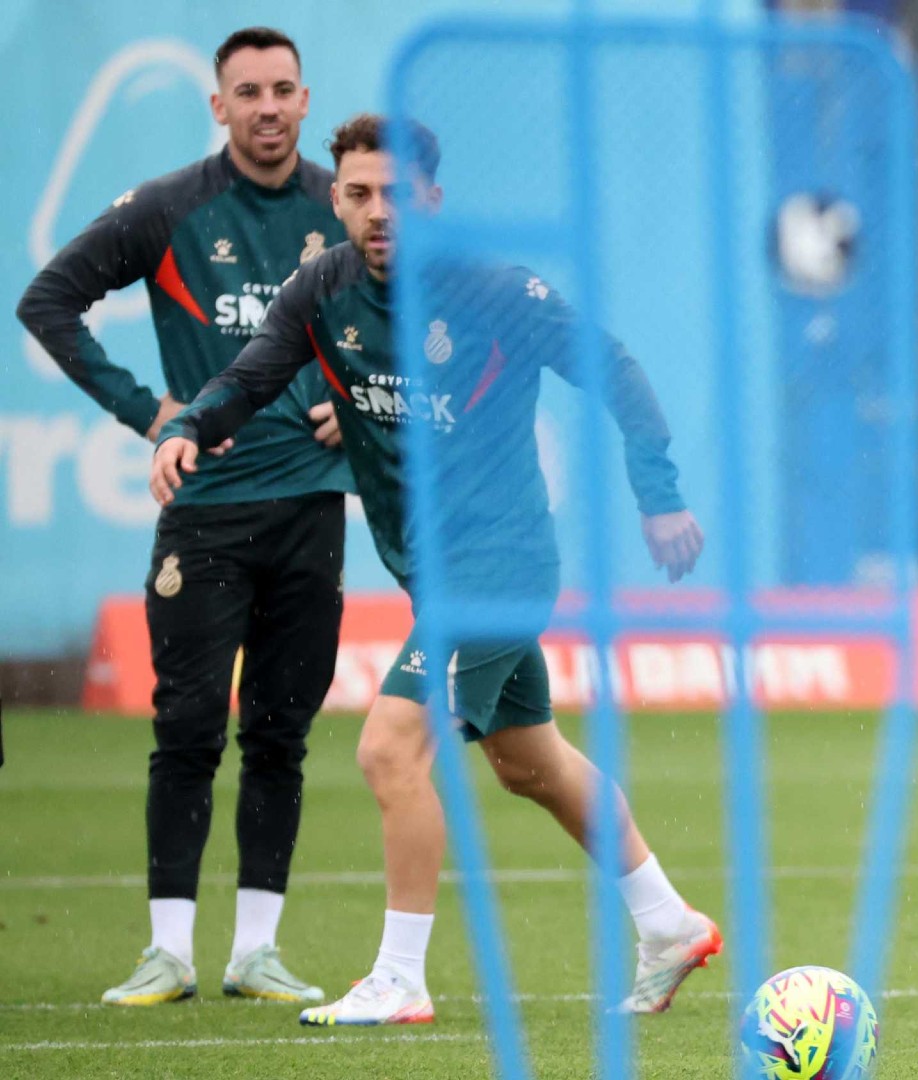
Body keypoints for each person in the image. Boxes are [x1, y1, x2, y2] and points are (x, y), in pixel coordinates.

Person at [151, 114, 717, 1026]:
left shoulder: (492, 290)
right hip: (434, 573)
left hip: (498, 566)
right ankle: (667, 922)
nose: (381, 213)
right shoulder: (321, 290)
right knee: (530, 763)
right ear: (335, 199)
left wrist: (660, 495)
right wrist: (185, 428)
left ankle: (401, 976)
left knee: (388, 748)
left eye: (400, 196)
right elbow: (249, 380)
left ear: (434, 202)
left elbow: (614, 366)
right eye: (361, 195)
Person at [18, 26, 349, 1008]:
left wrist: (360, 392)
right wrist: (145, 411)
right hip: (203, 508)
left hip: (309, 511)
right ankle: (169, 952)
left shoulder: (345, 205)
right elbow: (49, 300)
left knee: (282, 733)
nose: (268, 107)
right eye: (247, 91)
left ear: (304, 96)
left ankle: (257, 951)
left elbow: (404, 323)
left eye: (283, 89)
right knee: (190, 728)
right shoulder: (171, 208)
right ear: (218, 106)